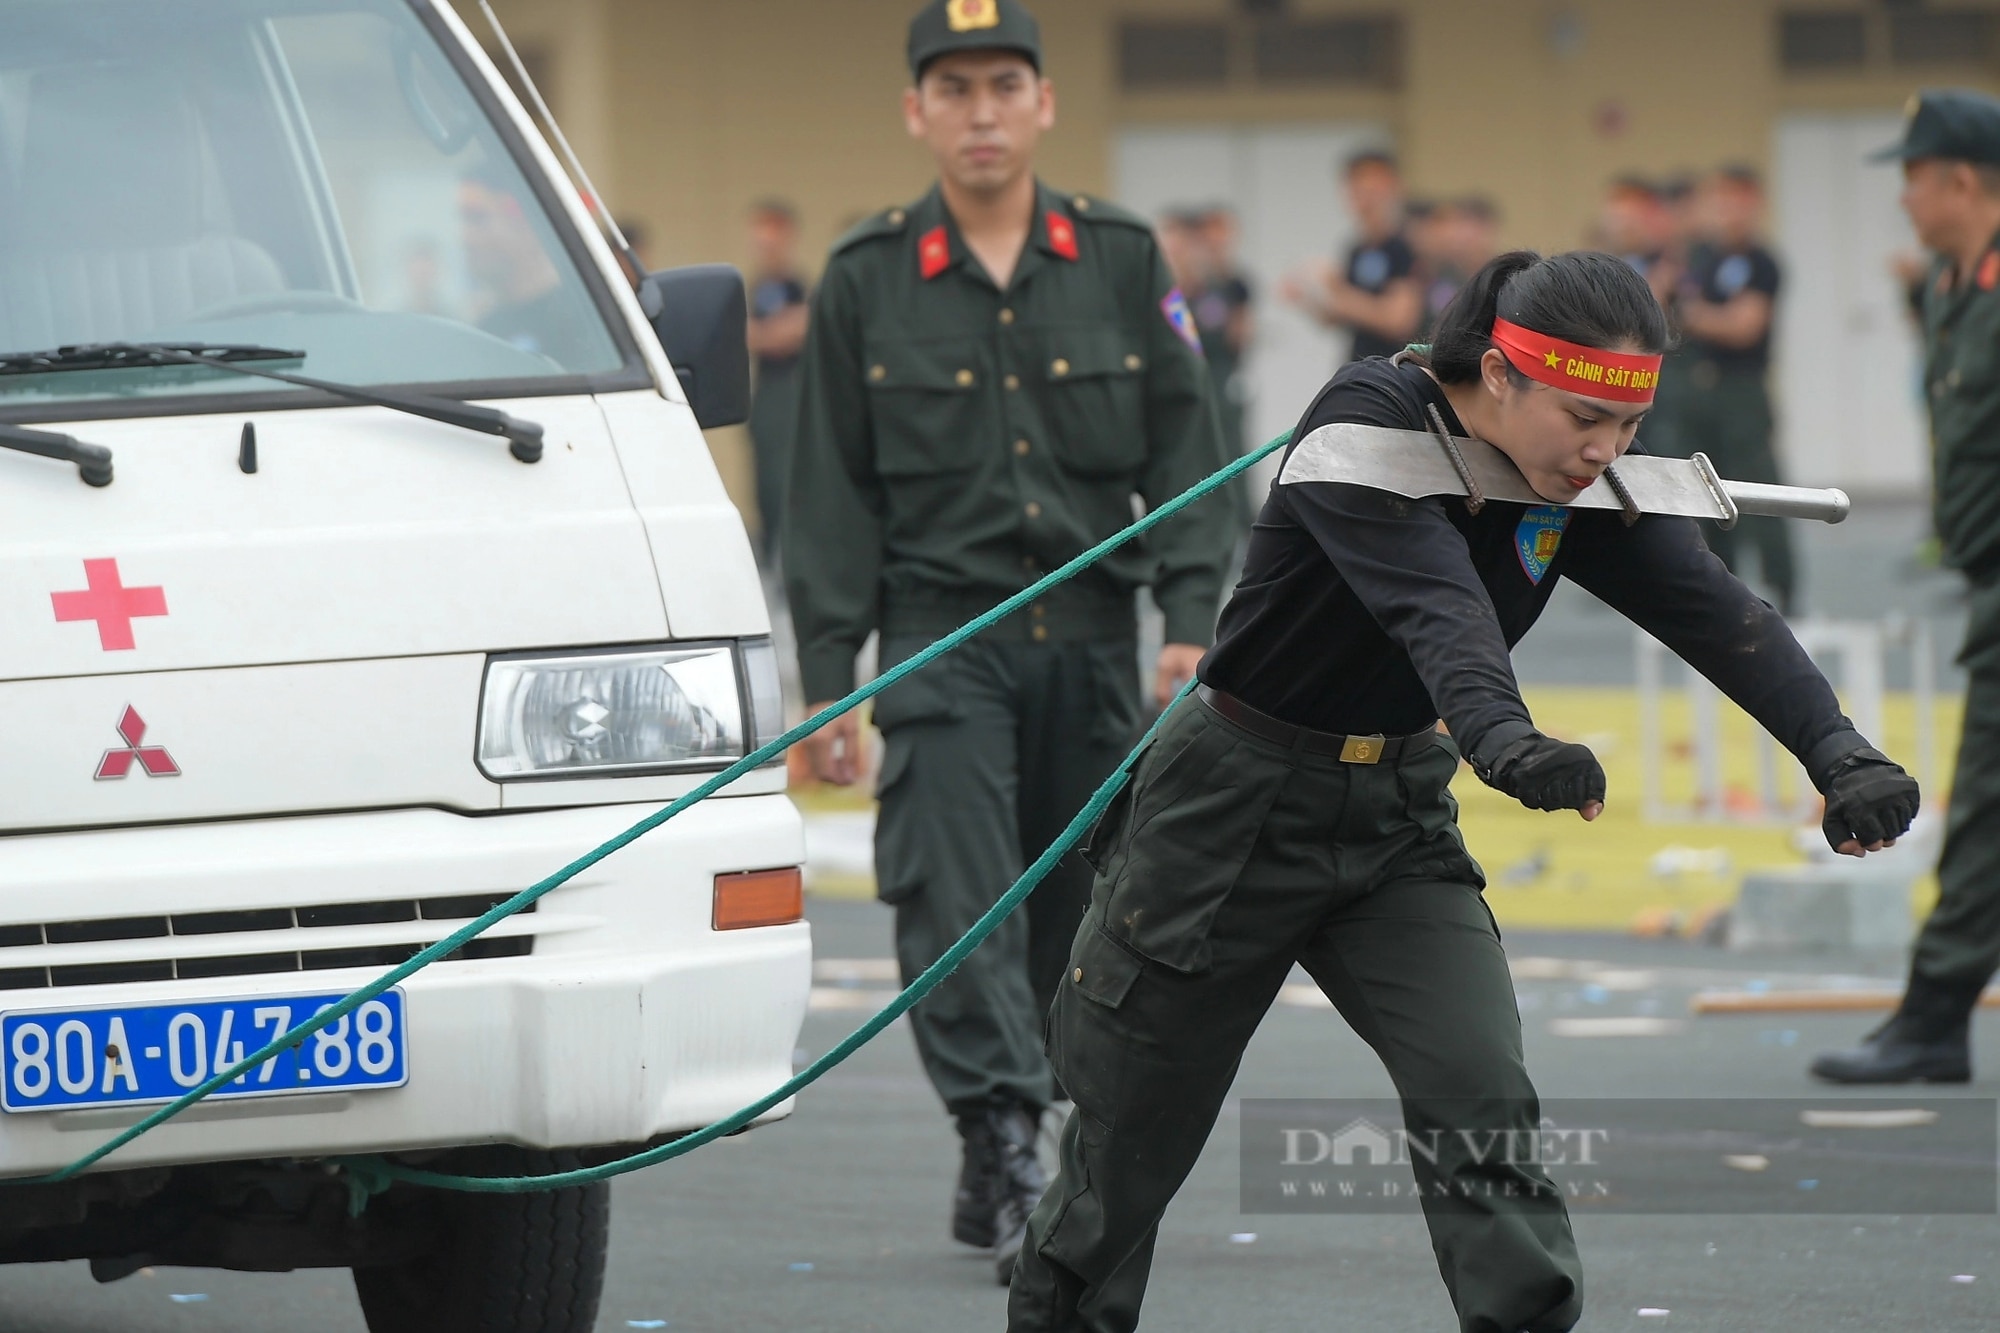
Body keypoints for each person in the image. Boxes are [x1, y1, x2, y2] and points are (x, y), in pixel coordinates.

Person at [1006, 250, 1920, 1331]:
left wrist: (1836, 751)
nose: (1605, 450)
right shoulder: (1363, 424)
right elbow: (1435, 606)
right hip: (1228, 807)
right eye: (1583, 416)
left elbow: (1709, 606)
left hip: (1392, 819)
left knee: (1477, 1091)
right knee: (1130, 1141)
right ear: (1496, 373)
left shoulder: (1567, 471)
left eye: (1627, 428)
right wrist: (1504, 736)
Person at [783, 0, 1234, 1283]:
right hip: (942, 636)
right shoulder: (865, 279)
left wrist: (1188, 622)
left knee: (1083, 906)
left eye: (1002, 85)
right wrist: (831, 687)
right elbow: (828, 498)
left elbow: (1191, 459)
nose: (979, 110)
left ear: (1041, 104)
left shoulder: (1119, 258)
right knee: (950, 898)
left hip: (1093, 634)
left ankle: (1037, 1125)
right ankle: (1001, 1133)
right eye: (954, 87)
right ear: (916, 111)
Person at [1814, 90, 2000, 1085]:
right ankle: (1930, 1016)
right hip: (1986, 580)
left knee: (1983, 810)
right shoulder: (1950, 284)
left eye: (1913, 176)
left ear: (1958, 179)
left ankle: (1931, 1014)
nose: (1903, 197)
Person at [1671, 165, 1797, 613]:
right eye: (1721, 201)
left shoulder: (1761, 263)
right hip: (1703, 393)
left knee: (1759, 490)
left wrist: (1695, 316)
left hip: (1741, 393)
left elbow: (1744, 327)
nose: (1728, 212)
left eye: (1738, 201)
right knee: (1710, 496)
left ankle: (1784, 587)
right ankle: (1726, 590)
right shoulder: (1706, 260)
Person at [1283, 149, 1422, 363]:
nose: (1363, 197)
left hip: (1396, 370)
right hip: (1360, 365)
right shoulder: (1356, 248)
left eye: (1372, 187)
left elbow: (1398, 320)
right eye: (1355, 187)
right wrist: (1308, 298)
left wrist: (1336, 288)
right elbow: (1338, 315)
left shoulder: (1403, 246)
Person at [457, 168, 597, 367]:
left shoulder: (586, 325)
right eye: (463, 220)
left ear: (526, 221)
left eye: (478, 218)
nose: (465, 237)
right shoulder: (487, 327)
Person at [745, 199, 811, 565]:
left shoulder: (795, 285)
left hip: (791, 397)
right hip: (765, 397)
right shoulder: (759, 287)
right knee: (765, 486)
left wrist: (764, 333)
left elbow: (792, 331)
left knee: (785, 481)